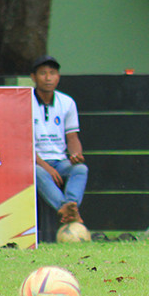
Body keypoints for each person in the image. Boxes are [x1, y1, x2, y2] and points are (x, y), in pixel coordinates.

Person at [31, 55, 88, 225]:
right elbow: (22, 144)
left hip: (59, 161)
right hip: (36, 161)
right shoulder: (25, 101)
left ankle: (71, 206)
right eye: (42, 73)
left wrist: (76, 154)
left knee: (80, 169)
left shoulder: (67, 102)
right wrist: (46, 166)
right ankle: (64, 207)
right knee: (37, 172)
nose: (48, 78)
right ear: (33, 77)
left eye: (52, 73)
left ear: (58, 77)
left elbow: (72, 137)